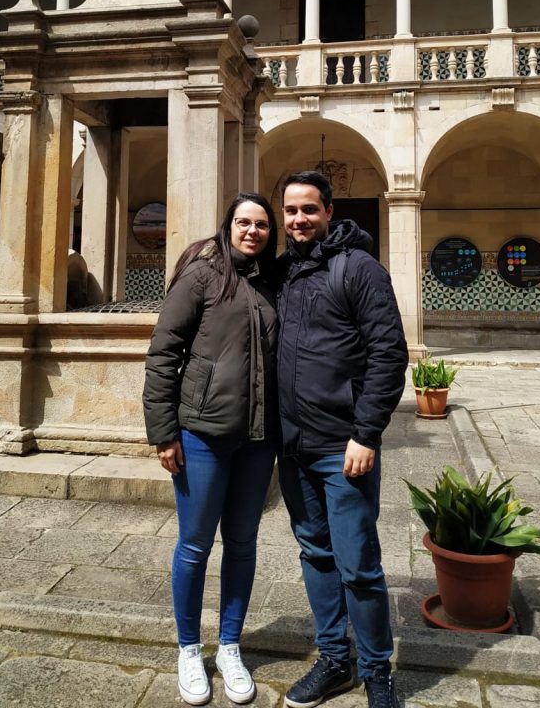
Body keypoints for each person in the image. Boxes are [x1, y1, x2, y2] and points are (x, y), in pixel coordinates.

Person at [276, 171, 408, 708]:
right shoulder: (283, 272)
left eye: (309, 209)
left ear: (329, 211)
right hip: (293, 446)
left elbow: (389, 354)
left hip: (343, 448)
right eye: (291, 210)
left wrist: (366, 433)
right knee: (315, 553)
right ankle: (335, 660)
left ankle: (378, 673)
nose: (299, 219)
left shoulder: (358, 268)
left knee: (358, 566)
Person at [143, 193, 279, 706]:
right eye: (243, 221)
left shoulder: (271, 281)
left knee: (242, 544)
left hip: (257, 440)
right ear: (228, 225)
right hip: (202, 434)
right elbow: (163, 353)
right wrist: (163, 432)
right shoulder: (202, 275)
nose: (252, 230)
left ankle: (229, 646)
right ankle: (187, 648)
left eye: (261, 224)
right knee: (195, 545)